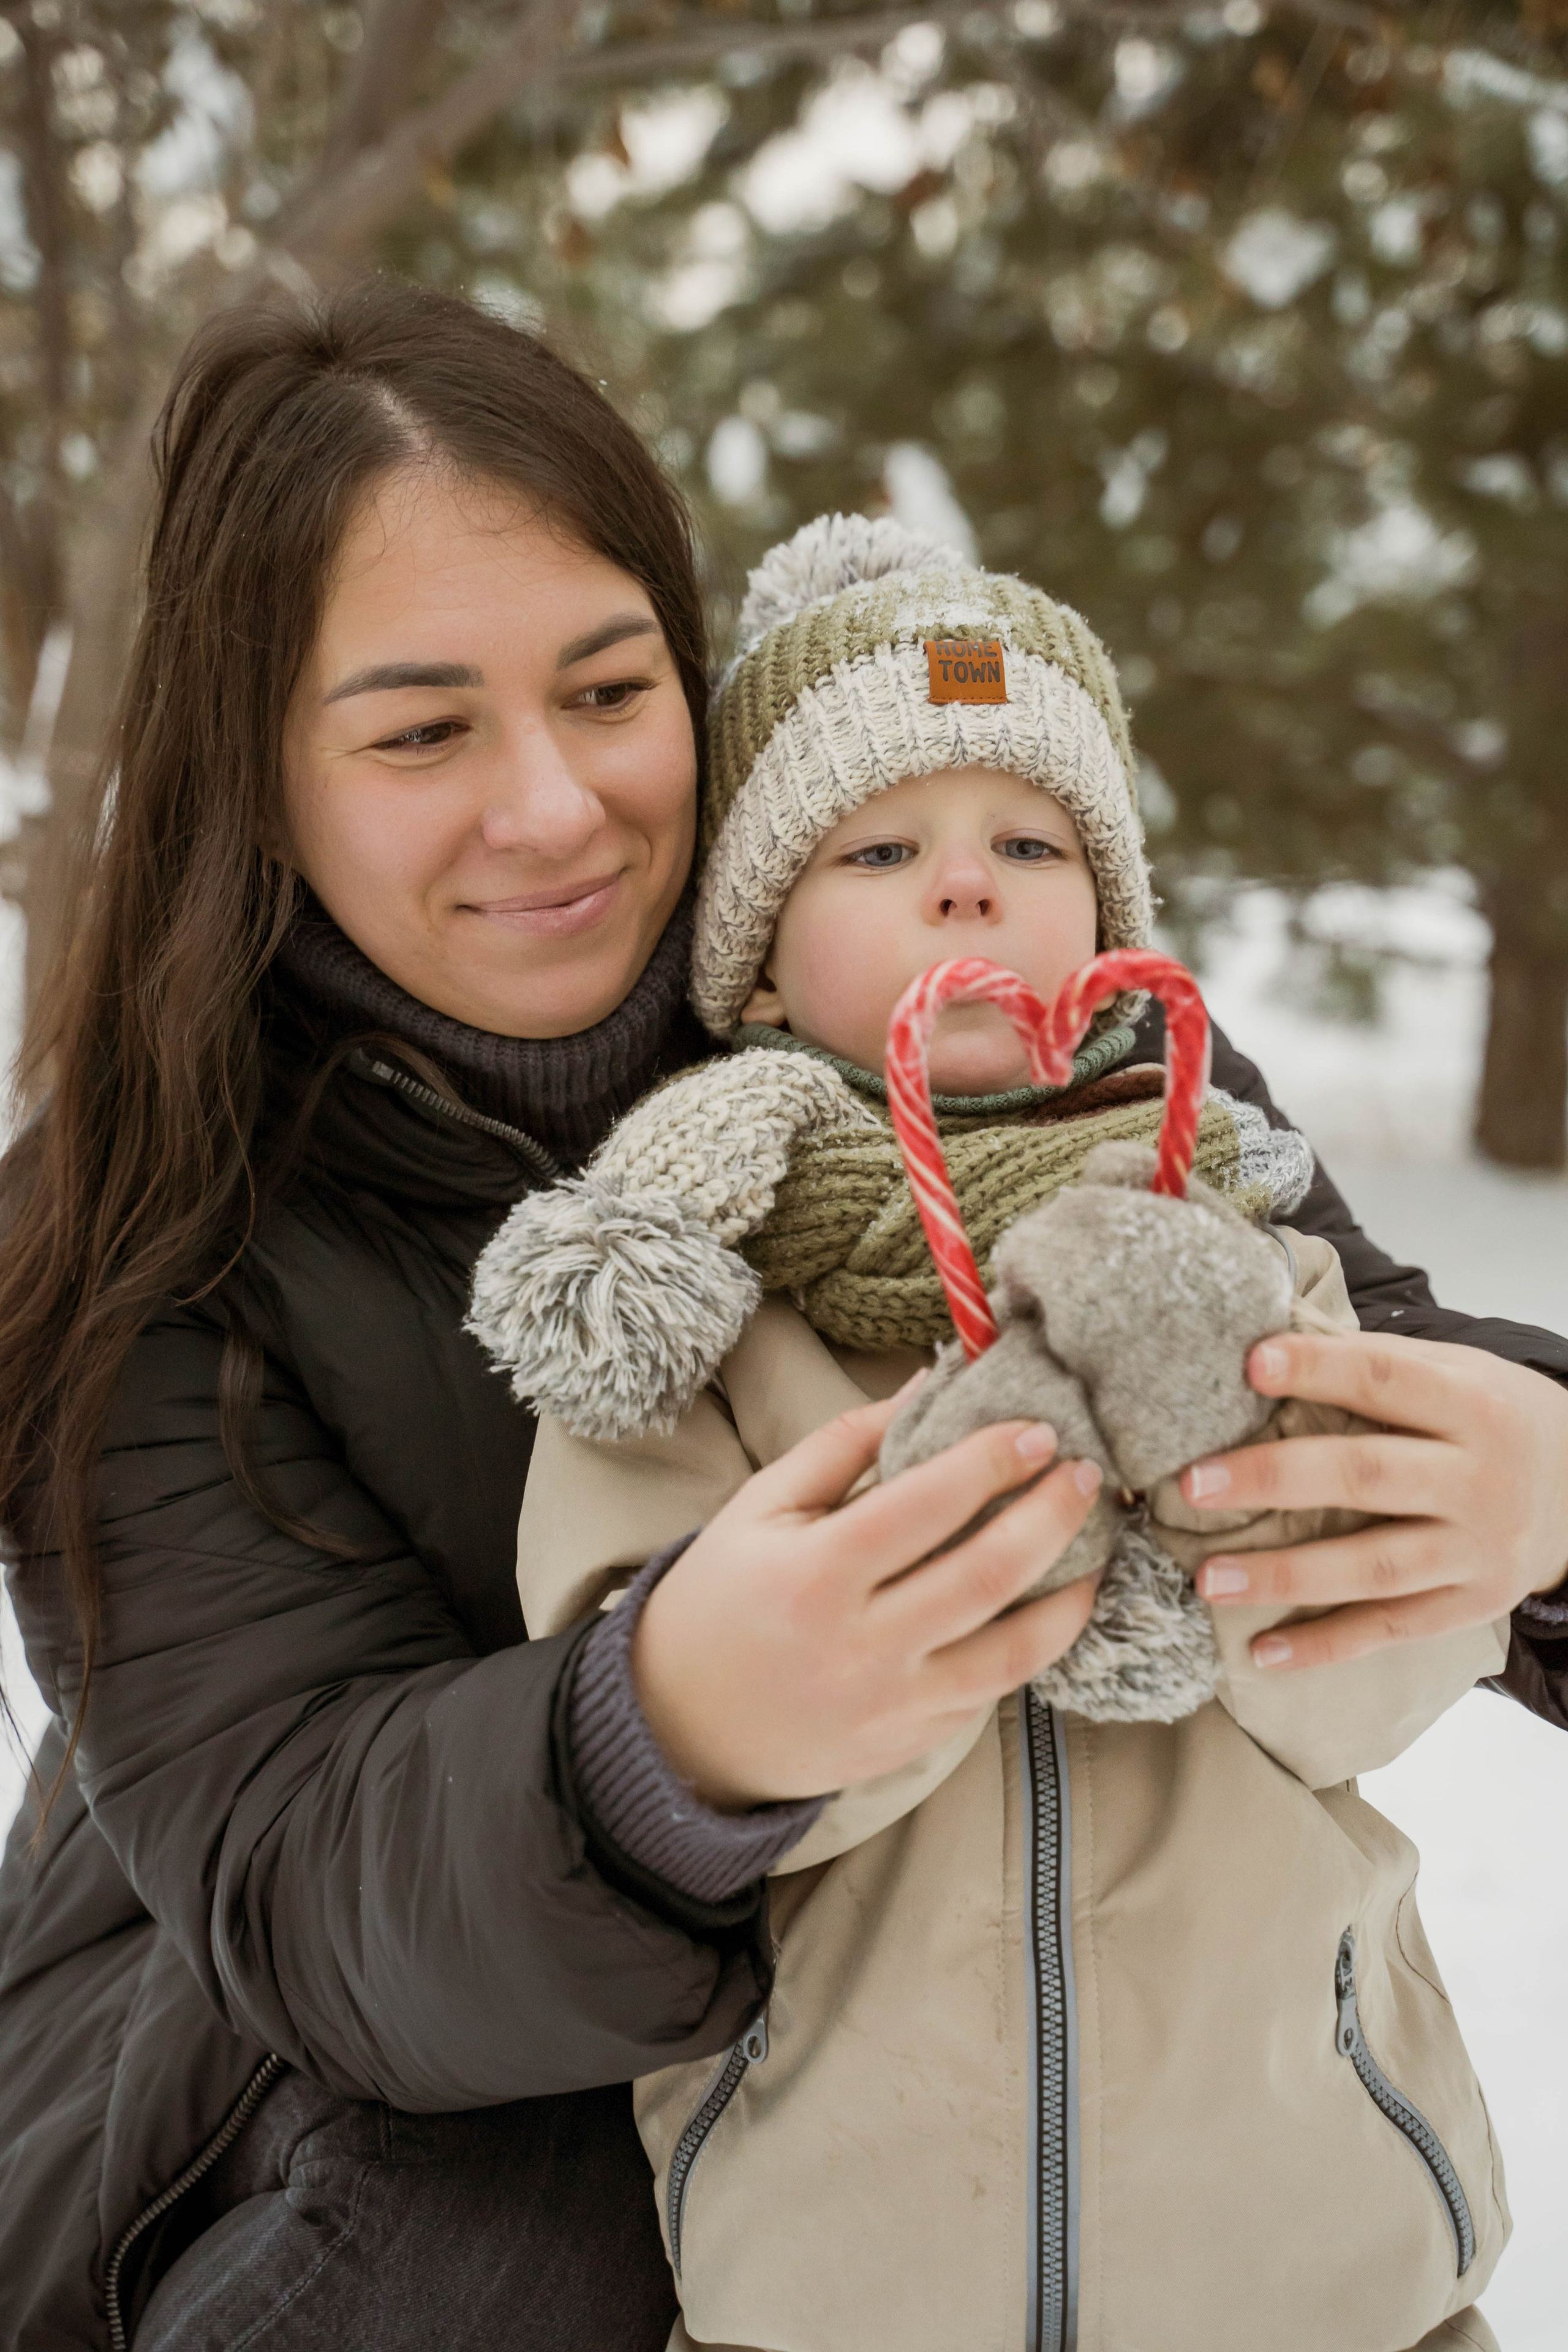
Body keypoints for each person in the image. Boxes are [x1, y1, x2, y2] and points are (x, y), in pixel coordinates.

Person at [0, 280, 1564, 2352]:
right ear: (254, 775)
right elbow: (300, 1869)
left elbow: (1371, 1359)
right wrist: (674, 1734)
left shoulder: (1022, 1058)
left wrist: (1541, 1485)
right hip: (256, 2112)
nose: (552, 807)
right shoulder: (137, 1235)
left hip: (909, 2086)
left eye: (609, 689)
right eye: (419, 731)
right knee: (563, 2201)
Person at [475, 514, 1553, 2352]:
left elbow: (1360, 1689)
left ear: (1112, 920)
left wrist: (1234, 1481)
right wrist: (969, 1520)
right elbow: (658, 1752)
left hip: (1324, 2260)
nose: (964, 886)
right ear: (752, 961)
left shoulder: (1245, 1242)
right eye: (880, 846)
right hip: (831, 2284)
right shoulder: (709, 1324)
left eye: (1030, 843)